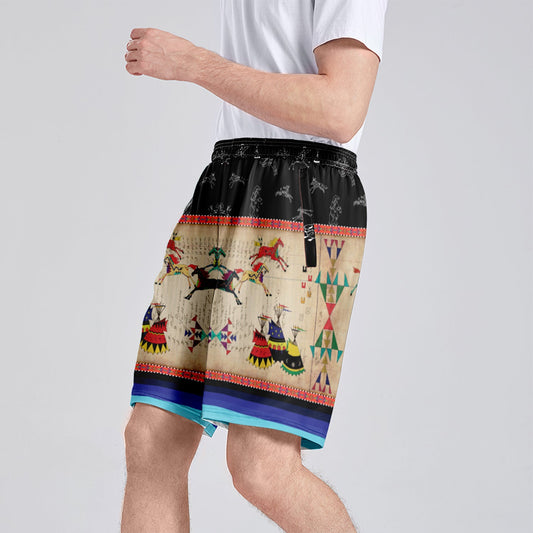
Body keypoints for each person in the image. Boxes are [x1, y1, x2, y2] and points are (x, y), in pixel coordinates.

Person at [121, 1, 388, 531]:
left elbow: (341, 109)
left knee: (262, 467)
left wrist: (193, 63)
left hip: (302, 195)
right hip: (226, 178)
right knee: (152, 438)